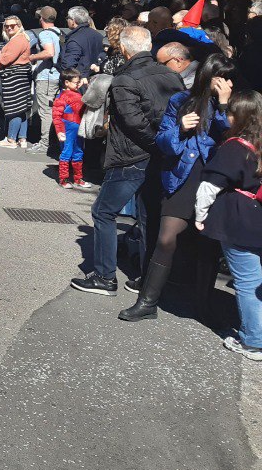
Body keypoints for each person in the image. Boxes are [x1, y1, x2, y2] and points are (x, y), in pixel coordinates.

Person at [120, 54, 234, 322]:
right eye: (222, 78)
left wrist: (224, 104)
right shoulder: (182, 101)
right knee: (166, 238)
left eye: (230, 79)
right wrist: (180, 130)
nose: (226, 83)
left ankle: (203, 306)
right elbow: (163, 142)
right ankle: (147, 302)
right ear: (209, 77)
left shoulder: (234, 105)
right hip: (183, 176)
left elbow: (231, 138)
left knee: (207, 244)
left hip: (217, 180)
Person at [71, 26, 183, 295]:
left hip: (132, 155)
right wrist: (163, 144)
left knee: (104, 211)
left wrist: (157, 143)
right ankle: (146, 278)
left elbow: (134, 122)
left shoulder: (126, 79)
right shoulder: (169, 74)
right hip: (158, 154)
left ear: (123, 49)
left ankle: (105, 277)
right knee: (148, 217)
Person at [195, 90, 262, 361]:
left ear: (240, 116)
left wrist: (200, 216)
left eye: (230, 112)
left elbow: (209, 187)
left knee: (247, 282)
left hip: (239, 220)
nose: (227, 115)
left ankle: (253, 341)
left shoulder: (236, 147)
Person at [0, 16, 33, 148]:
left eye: (13, 25)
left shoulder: (18, 39)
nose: (9, 28)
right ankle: (22, 138)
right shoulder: (20, 38)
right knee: (21, 108)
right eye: (6, 26)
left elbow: (6, 60)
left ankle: (11, 139)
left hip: (14, 76)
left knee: (14, 107)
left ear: (19, 25)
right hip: (19, 75)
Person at [30, 6, 62, 153]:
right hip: (56, 75)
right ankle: (54, 142)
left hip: (47, 77)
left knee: (45, 111)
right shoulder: (58, 32)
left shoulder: (45, 34)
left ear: (41, 19)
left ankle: (44, 144)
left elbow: (49, 52)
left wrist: (32, 57)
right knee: (54, 110)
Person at [53, 69, 86, 188]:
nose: (78, 84)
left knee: (78, 152)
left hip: (78, 128)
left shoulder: (77, 93)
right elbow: (56, 116)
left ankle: (78, 178)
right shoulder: (62, 97)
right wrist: (60, 131)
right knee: (66, 152)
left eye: (79, 82)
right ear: (66, 82)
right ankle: (64, 179)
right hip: (68, 129)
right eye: (76, 82)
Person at [62, 6, 105, 75]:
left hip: (80, 81)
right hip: (95, 78)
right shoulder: (98, 35)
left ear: (73, 21)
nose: (67, 20)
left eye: (68, 18)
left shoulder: (74, 40)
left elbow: (68, 66)